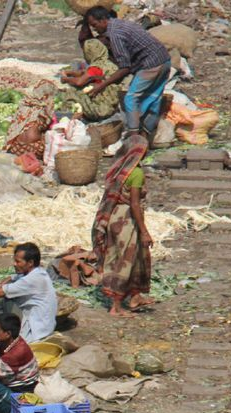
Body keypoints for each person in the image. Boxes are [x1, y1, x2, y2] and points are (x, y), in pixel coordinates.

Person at [91, 136, 155, 317]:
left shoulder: (120, 169)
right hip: (127, 220)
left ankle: (135, 297)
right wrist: (144, 232)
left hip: (115, 218)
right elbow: (135, 204)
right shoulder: (136, 174)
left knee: (132, 258)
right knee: (124, 263)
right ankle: (116, 307)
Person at [84, 7, 171, 139]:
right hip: (164, 60)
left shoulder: (115, 34)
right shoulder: (119, 23)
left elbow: (125, 67)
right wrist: (105, 78)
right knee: (153, 98)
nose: (95, 29)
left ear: (103, 20)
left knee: (130, 99)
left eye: (95, 25)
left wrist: (102, 85)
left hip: (151, 64)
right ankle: (145, 136)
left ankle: (134, 137)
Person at [0, 242, 57, 344]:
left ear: (30, 262)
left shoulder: (32, 279)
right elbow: (10, 278)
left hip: (36, 330)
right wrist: (3, 283)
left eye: (18, 261)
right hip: (44, 326)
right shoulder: (38, 272)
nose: (14, 264)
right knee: (4, 294)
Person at [59, 40, 124, 123]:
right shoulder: (108, 64)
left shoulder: (96, 67)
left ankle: (78, 114)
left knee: (70, 92)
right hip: (113, 103)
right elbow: (84, 73)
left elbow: (79, 82)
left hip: (102, 109)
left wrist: (66, 79)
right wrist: (70, 73)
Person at [5, 81, 57, 159]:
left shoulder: (25, 104)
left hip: (15, 146)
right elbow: (46, 126)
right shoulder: (42, 109)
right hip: (32, 149)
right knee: (52, 138)